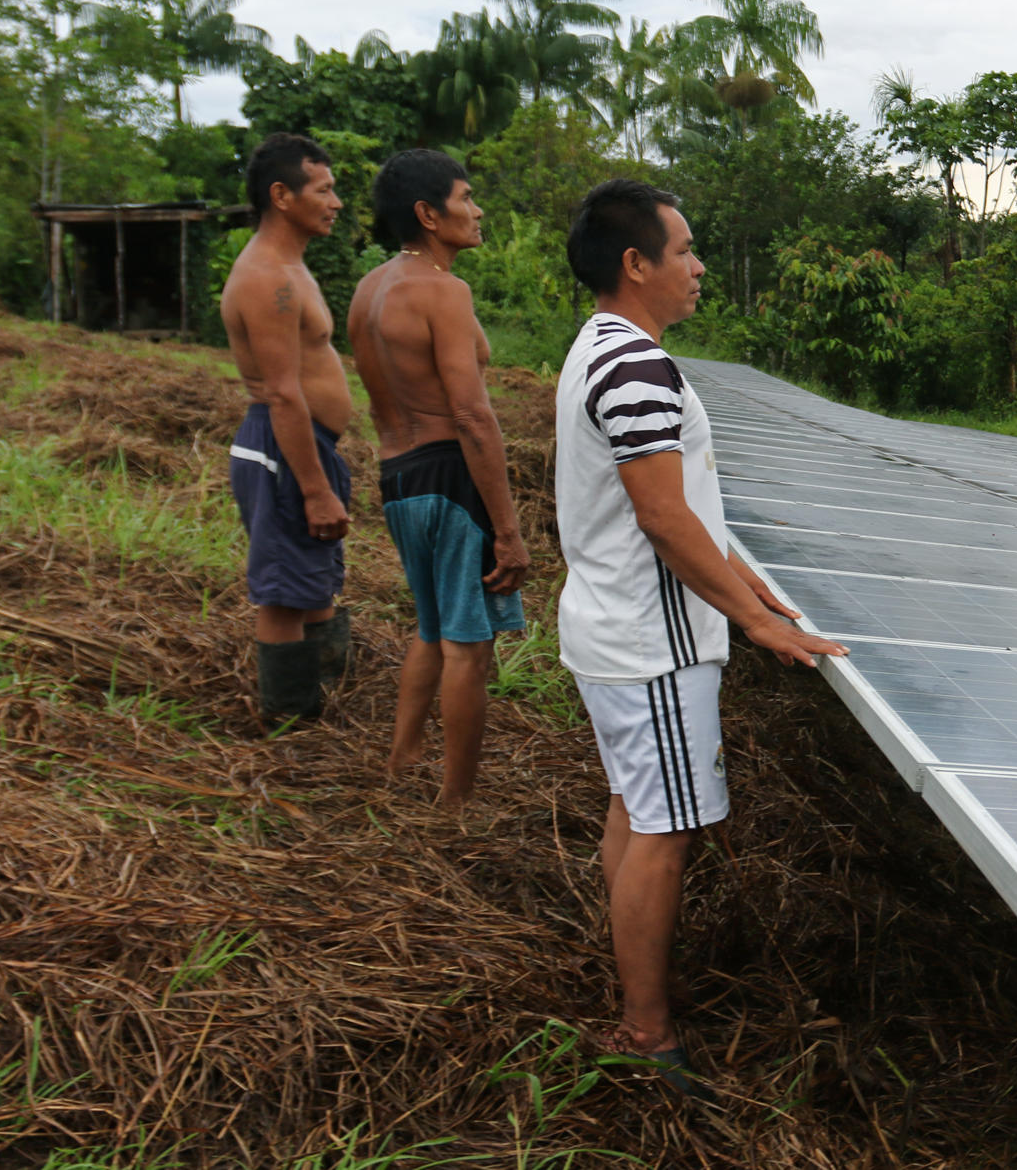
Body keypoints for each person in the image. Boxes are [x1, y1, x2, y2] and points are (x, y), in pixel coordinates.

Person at [554, 179, 846, 1096]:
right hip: (654, 645)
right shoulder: (637, 366)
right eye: (683, 250)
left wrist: (749, 582)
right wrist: (753, 620)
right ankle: (646, 1031)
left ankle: (633, 988)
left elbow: (684, 512)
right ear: (636, 264)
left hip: (617, 632)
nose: (698, 265)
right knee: (668, 832)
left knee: (636, 813)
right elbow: (662, 519)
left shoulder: (603, 349)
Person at [348, 149, 529, 808]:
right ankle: (456, 804)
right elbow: (474, 418)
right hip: (451, 478)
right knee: (468, 648)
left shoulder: (371, 289)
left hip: (397, 476)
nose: (477, 210)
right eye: (466, 197)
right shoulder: (443, 292)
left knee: (431, 629)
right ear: (429, 213)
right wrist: (507, 531)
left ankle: (401, 763)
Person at [223, 133, 351, 725]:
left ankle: (328, 700)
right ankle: (291, 725)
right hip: (282, 450)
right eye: (323, 190)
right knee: (283, 595)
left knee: (314, 579)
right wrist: (314, 487)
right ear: (282, 195)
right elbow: (280, 392)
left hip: (308, 447)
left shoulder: (292, 268)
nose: (336, 201)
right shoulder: (265, 278)